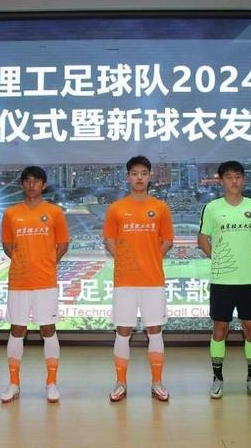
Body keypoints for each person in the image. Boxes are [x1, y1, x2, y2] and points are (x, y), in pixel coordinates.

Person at [102, 155, 174, 402]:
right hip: (125, 280)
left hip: (152, 280)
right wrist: (125, 260)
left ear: (150, 176)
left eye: (144, 173)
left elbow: (167, 241)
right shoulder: (116, 208)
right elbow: (109, 240)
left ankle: (157, 382)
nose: (139, 178)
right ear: (128, 177)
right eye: (134, 174)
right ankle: (120, 383)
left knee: (155, 330)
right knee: (123, 331)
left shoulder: (160, 207)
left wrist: (150, 258)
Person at [0, 166, 69, 403]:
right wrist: (23, 263)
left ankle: (51, 383)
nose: (31, 185)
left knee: (48, 329)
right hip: (19, 281)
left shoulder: (55, 212)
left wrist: (46, 263)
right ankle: (13, 384)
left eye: (36, 181)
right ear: (22, 184)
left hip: (45, 281)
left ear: (43, 185)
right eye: (27, 181)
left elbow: (63, 245)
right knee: (17, 330)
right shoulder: (11, 213)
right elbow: (7, 245)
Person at [197, 161, 251, 399]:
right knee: (220, 328)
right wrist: (218, 259)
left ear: (243, 179)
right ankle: (217, 378)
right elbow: (203, 239)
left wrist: (244, 257)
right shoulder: (212, 208)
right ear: (221, 181)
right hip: (222, 280)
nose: (234, 181)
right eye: (229, 177)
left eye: (238, 176)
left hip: (248, 279)